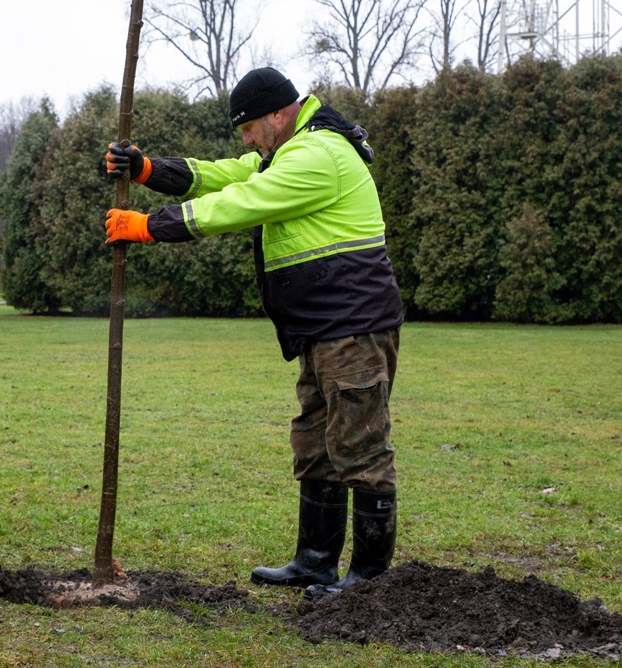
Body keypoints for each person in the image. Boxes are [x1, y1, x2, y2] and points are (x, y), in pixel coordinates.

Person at [102, 67, 403, 599]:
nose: (243, 139)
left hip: (353, 327)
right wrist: (149, 169)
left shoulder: (318, 155)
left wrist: (151, 225)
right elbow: (223, 176)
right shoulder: (289, 151)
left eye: (247, 127)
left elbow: (239, 203)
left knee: (359, 449)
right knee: (316, 443)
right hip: (323, 329)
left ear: (277, 115)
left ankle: (369, 584)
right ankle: (315, 562)